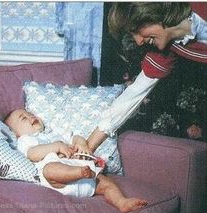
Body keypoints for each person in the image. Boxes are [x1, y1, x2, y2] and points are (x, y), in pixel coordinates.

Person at [86, 2, 207, 152]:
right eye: (132, 35)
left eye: (137, 30)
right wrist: (89, 147)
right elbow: (133, 95)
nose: (138, 41)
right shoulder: (167, 50)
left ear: (153, 13)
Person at [4, 109, 147, 213]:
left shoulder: (54, 132)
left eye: (29, 113)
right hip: (59, 182)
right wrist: (57, 146)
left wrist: (81, 144)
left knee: (106, 183)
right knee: (50, 169)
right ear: (15, 134)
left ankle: (121, 202)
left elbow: (76, 137)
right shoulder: (25, 140)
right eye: (23, 119)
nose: (29, 117)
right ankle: (78, 172)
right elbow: (32, 154)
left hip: (86, 180)